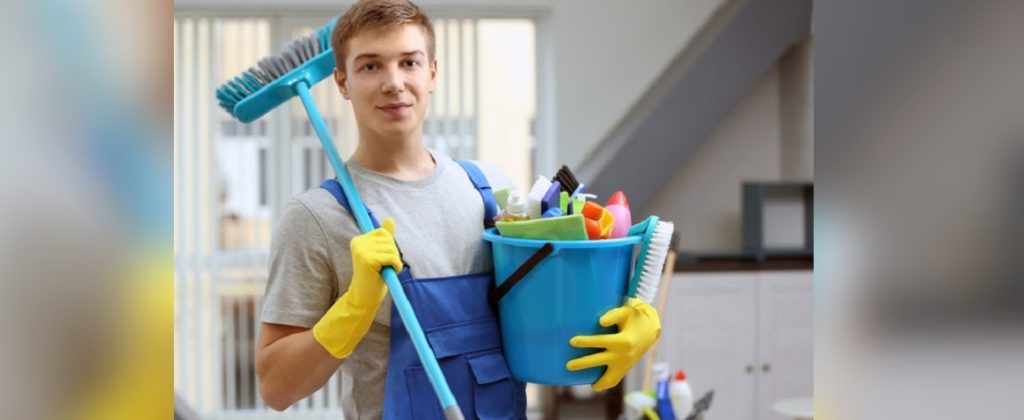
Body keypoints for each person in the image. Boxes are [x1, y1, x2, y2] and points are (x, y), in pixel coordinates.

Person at [254, 1, 661, 418]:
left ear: (432, 72)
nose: (394, 83)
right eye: (370, 66)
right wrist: (353, 308)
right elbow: (276, 387)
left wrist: (628, 323)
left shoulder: (490, 194)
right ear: (342, 81)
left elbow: (553, 317)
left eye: (408, 62)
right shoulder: (317, 217)